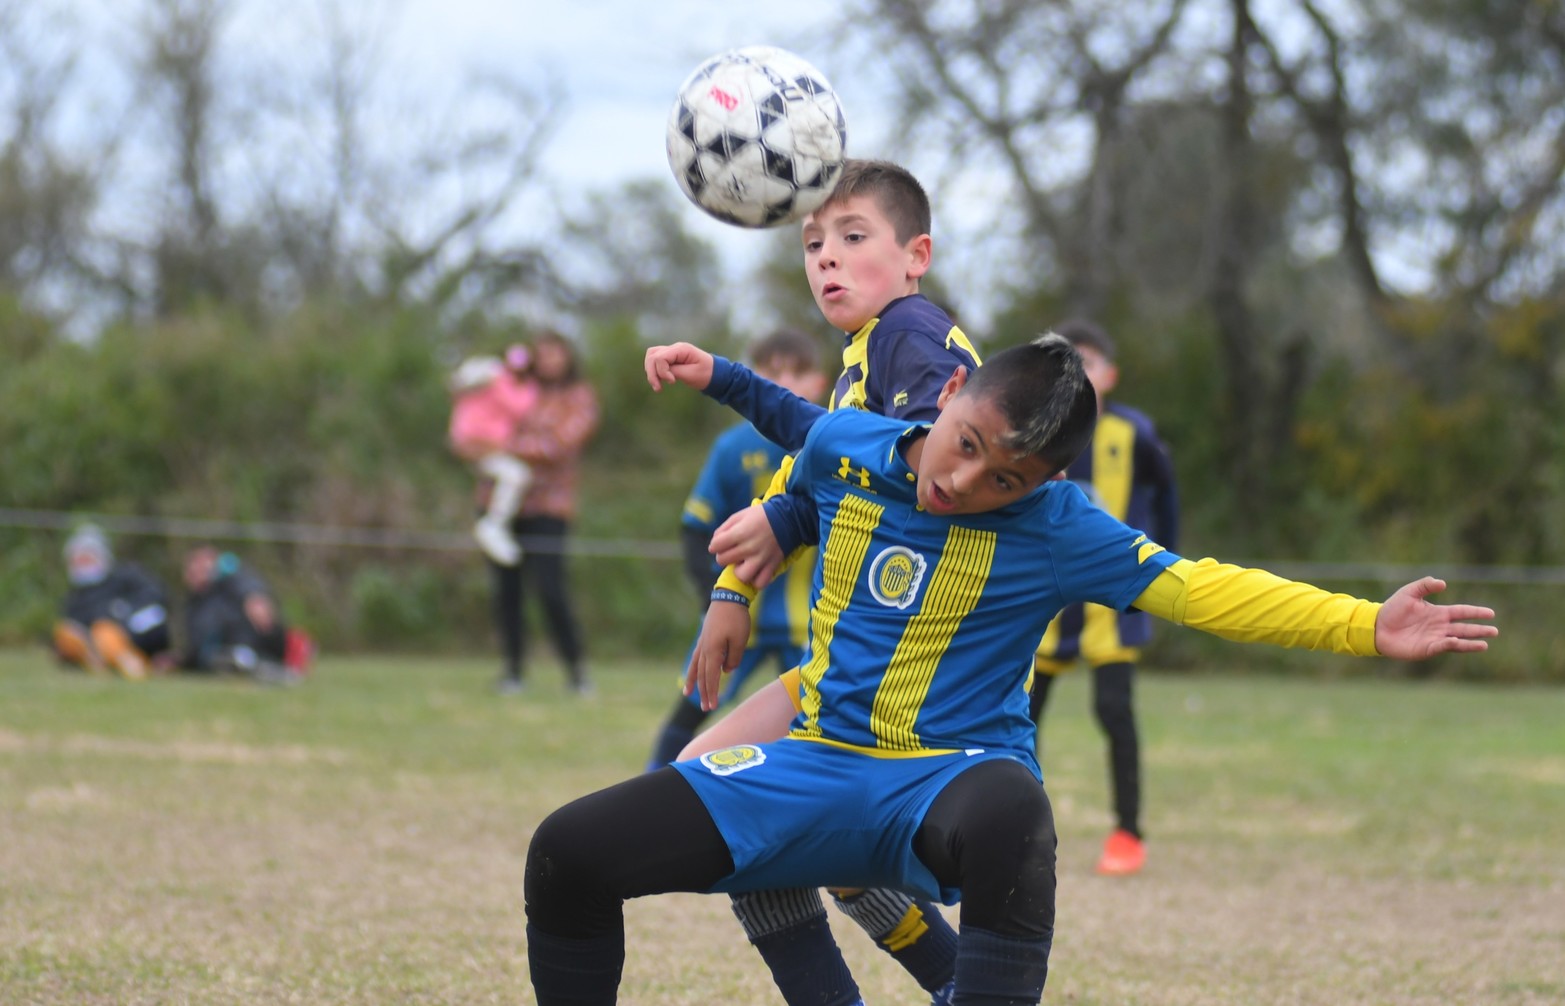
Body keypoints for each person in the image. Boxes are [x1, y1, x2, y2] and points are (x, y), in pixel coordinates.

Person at [523, 336, 1495, 1006]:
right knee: (566, 851)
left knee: (1013, 814)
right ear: (946, 398)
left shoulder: (1061, 529)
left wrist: (1366, 624)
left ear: (1045, 487)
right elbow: (789, 421)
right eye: (966, 446)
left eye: (1004, 479)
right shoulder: (847, 446)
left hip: (950, 775)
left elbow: (1200, 589)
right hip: (814, 761)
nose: (963, 481)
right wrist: (737, 548)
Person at [679, 158, 979, 1005]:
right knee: (744, 810)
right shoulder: (868, 353)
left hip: (908, 667)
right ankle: (956, 983)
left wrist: (775, 512)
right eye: (813, 244)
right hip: (859, 657)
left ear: (916, 253)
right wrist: (741, 582)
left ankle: (948, 983)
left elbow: (928, 469)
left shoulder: (907, 336)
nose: (827, 260)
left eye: (853, 238)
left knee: (722, 801)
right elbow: (838, 467)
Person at [1029, 319, 1179, 877]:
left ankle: (1128, 832)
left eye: (1088, 361)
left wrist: (1163, 567)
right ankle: (1021, 830)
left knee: (1113, 711)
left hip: (1114, 601)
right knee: (1021, 714)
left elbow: (1167, 499)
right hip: (1047, 601)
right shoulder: (1032, 429)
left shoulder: (1133, 433)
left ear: (1110, 374)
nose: (1079, 371)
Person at [645, 329, 829, 770]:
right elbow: (694, 527)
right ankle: (653, 796)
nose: (785, 380)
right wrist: (713, 597)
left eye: (798, 372)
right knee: (690, 709)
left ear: (820, 382)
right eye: (772, 371)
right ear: (756, 375)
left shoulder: (831, 441)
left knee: (822, 728)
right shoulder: (732, 448)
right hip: (736, 612)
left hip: (813, 622)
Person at [491, 328, 599, 696]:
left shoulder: (579, 396)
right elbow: (484, 422)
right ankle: (513, 671)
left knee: (551, 589)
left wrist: (505, 446)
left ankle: (576, 670)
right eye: (543, 353)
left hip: (550, 507)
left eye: (557, 352)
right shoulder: (517, 391)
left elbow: (560, 444)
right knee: (507, 591)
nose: (550, 360)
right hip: (504, 505)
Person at [449, 344, 539, 567]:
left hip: (493, 448)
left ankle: (494, 524)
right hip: (470, 440)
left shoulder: (527, 392)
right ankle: (493, 525)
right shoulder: (490, 370)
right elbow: (457, 383)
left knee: (517, 475)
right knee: (515, 475)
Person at [52, 524, 171, 681]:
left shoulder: (127, 577)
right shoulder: (77, 595)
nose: (81, 565)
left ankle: (130, 664)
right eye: (77, 560)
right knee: (66, 631)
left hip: (130, 638)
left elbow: (155, 607)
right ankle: (98, 662)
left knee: (105, 632)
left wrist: (125, 626)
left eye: (86, 558)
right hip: (93, 645)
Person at [178, 545, 303, 683]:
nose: (198, 572)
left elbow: (242, 578)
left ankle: (271, 665)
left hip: (247, 643)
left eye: (203, 567)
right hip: (215, 656)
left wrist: (254, 597)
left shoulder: (231, 585)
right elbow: (196, 645)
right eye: (193, 569)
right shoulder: (194, 604)